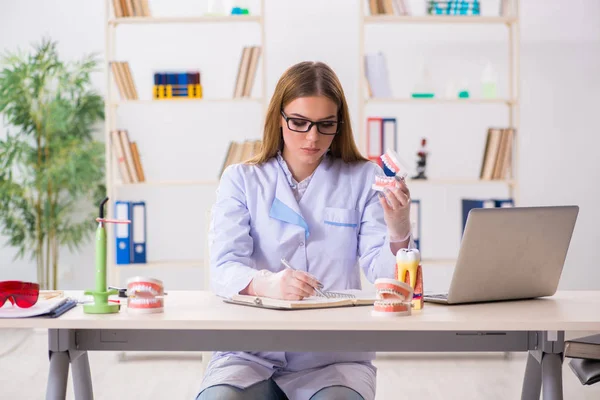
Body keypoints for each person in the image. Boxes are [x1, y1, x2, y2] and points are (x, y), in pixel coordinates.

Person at [197, 61, 413, 400]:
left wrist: (398, 230)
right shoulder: (241, 179)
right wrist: (268, 284)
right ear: (278, 119)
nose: (312, 137)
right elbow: (224, 268)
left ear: (339, 126)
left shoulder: (362, 178)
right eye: (299, 123)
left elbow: (386, 278)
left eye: (325, 125)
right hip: (250, 353)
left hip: (332, 358)